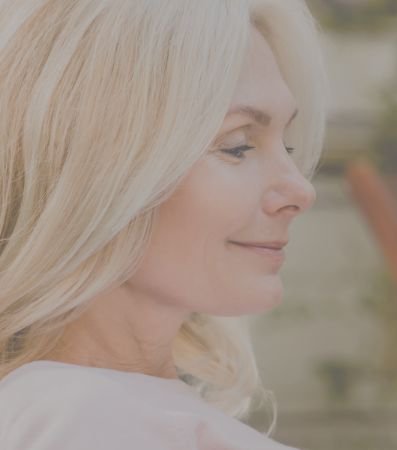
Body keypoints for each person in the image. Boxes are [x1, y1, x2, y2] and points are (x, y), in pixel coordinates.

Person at [0, 0, 327, 448]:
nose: (301, 190)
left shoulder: (107, 411)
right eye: (237, 145)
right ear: (96, 172)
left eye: (286, 146)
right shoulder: (82, 418)